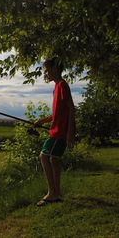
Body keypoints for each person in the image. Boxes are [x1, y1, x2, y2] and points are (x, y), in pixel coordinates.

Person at [34, 59, 76, 207]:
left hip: (59, 133)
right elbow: (57, 112)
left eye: (47, 70)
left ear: (57, 68)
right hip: (57, 131)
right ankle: (56, 192)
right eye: (45, 71)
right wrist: (42, 121)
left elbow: (71, 109)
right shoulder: (57, 87)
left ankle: (52, 193)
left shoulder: (62, 85)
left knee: (43, 157)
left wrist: (70, 133)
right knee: (54, 159)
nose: (45, 73)